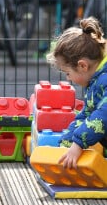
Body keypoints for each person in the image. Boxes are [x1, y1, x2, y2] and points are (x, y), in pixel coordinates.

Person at [46, 16, 107, 169]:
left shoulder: (104, 80)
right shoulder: (96, 80)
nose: (68, 78)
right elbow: (86, 115)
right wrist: (66, 144)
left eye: (67, 73)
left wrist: (78, 144)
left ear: (82, 66)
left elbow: (102, 116)